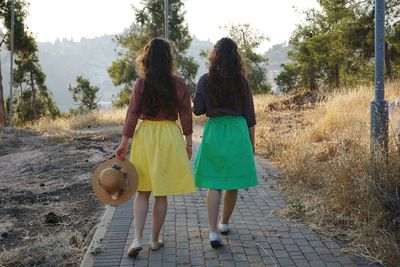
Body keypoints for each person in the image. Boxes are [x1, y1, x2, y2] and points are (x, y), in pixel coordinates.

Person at [115, 37, 195, 257]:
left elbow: (132, 112)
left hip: (146, 136)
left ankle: (137, 238)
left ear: (146, 59)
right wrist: (188, 142)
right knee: (161, 193)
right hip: (169, 134)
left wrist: (124, 142)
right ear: (169, 59)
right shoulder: (178, 83)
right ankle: (154, 240)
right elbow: (185, 113)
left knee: (142, 191)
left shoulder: (142, 83)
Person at [193, 37, 258, 248]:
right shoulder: (242, 81)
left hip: (215, 132)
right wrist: (252, 143)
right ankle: (224, 223)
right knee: (232, 183)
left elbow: (198, 110)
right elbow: (250, 116)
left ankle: (212, 232)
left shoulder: (205, 80)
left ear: (215, 55)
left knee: (215, 183)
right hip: (237, 132)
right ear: (236, 57)